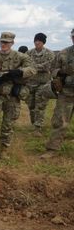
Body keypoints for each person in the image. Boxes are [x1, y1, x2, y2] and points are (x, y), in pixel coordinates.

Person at [0, 32, 36, 158]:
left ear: (12, 43)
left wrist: (18, 72)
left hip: (12, 96)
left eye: (7, 42)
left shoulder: (20, 57)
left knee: (8, 124)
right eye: (2, 42)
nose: (4, 44)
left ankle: (4, 150)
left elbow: (32, 69)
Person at [41, 29, 74, 159]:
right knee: (60, 122)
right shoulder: (64, 53)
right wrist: (60, 74)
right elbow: (52, 69)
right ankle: (52, 149)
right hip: (66, 94)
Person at [25, 33, 55, 136]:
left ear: (43, 42)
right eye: (36, 41)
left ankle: (38, 128)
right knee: (31, 105)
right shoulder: (29, 53)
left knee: (40, 105)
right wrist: (36, 68)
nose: (37, 42)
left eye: (39, 41)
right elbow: (26, 65)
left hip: (43, 84)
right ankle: (34, 124)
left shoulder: (50, 54)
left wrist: (33, 68)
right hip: (30, 83)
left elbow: (48, 66)